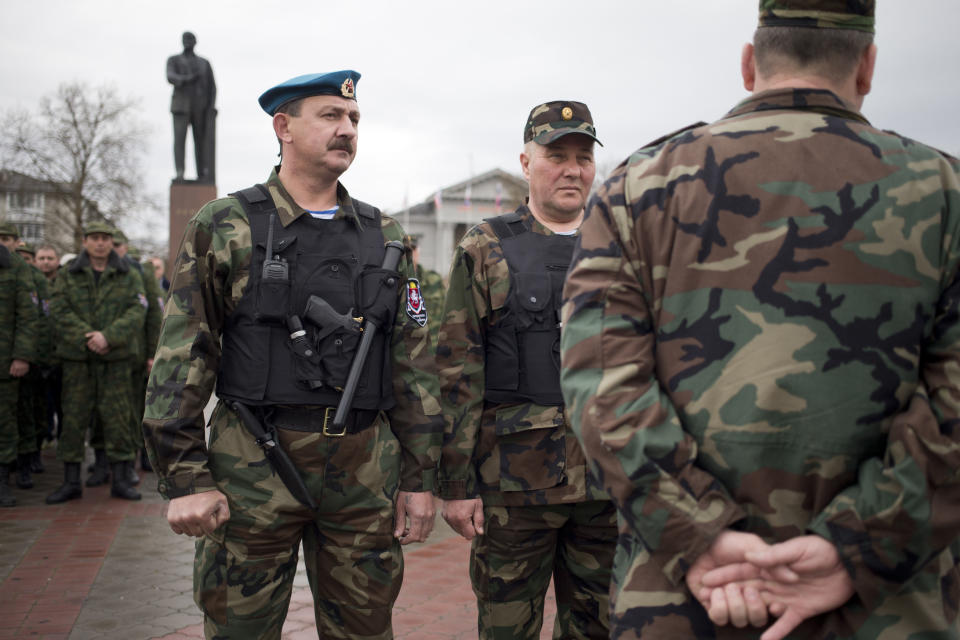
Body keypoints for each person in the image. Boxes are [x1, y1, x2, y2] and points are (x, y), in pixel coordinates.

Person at [560, 2, 960, 639]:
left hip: (682, 600)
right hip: (887, 606)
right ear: (869, 67)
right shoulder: (943, 192)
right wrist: (856, 547)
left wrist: (703, 536)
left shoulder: (637, 187)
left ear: (749, 64)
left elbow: (601, 390)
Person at [142, 70, 441, 640]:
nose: (347, 129)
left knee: (365, 629)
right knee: (239, 628)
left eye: (353, 118)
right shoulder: (227, 223)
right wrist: (184, 478)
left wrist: (421, 476)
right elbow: (183, 353)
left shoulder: (385, 235)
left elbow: (413, 362)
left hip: (363, 468)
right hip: (253, 464)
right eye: (330, 115)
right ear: (283, 127)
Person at [438, 101, 617, 639]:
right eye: (555, 154)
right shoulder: (486, 247)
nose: (571, 168)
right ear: (526, 160)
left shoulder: (623, 243)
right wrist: (455, 483)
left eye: (583, 157)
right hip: (514, 491)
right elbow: (456, 370)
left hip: (610, 487)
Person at [46, 221, 146, 504]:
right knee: (74, 418)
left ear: (111, 242)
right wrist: (88, 337)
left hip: (115, 359)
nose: (100, 243)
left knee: (117, 418)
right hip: (78, 359)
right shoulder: (69, 274)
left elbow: (137, 310)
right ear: (85, 241)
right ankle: (70, 481)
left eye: (105, 238)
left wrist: (108, 337)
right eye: (94, 238)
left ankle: (122, 479)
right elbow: (59, 309)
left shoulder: (128, 273)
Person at [111, 230, 162, 476]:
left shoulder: (139, 273)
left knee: (141, 409)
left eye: (118, 244)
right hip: (115, 354)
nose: (113, 248)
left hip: (139, 354)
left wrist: (152, 353)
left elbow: (152, 316)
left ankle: (142, 455)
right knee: (122, 412)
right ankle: (120, 462)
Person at [0, 221, 38, 507]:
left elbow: (28, 314)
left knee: (5, 421)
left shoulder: (16, 268)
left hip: (5, 361)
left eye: (6, 237)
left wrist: (22, 355)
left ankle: (3, 479)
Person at [9, 242, 51, 485]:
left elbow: (41, 321)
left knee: (30, 412)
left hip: (28, 360)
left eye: (28, 257)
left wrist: (34, 357)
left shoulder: (34, 281)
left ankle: (27, 459)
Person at [166, 31, 216, 182]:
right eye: (185, 39)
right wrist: (188, 79)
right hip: (181, 106)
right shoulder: (173, 60)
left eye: (191, 39)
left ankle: (202, 173)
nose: (188, 41)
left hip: (200, 108)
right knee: (179, 140)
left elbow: (212, 87)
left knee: (200, 141)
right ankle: (180, 172)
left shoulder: (204, 63)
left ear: (195, 42)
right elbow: (170, 76)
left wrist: (211, 107)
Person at [406, 234, 445, 351]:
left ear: (418, 252)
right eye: (406, 251)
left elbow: (446, 314)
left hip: (432, 349)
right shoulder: (395, 281)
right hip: (405, 351)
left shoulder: (434, 280)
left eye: (412, 250)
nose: (410, 255)